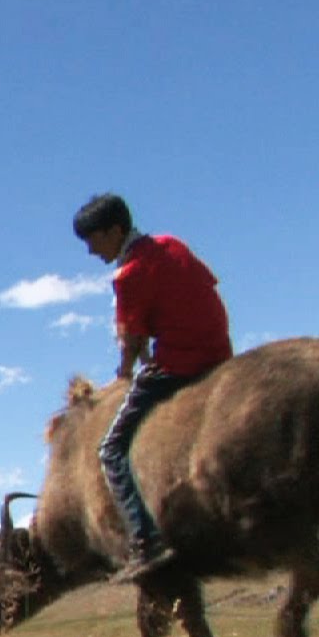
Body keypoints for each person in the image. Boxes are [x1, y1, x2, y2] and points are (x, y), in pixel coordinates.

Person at [73, 193, 233, 582]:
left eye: (94, 240)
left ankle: (147, 541)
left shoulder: (129, 275)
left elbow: (130, 338)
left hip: (180, 364)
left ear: (115, 230)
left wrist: (124, 374)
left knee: (111, 450)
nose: (92, 251)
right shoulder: (170, 244)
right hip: (219, 352)